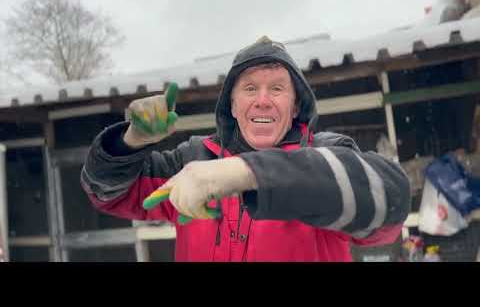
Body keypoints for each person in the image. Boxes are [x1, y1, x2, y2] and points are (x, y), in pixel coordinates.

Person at [81, 36, 411, 262]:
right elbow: (105, 193)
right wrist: (131, 140)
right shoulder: (193, 159)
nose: (263, 100)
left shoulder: (327, 154)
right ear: (233, 105)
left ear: (295, 106)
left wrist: (245, 171)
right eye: (250, 88)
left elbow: (391, 203)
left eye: (277, 89)